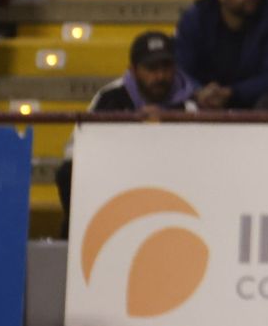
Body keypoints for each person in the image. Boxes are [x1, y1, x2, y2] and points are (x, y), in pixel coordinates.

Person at [52, 30, 198, 228]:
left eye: (166, 67)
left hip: (168, 182)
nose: (160, 76)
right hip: (114, 176)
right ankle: (77, 239)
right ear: (133, 70)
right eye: (151, 68)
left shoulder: (188, 106)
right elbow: (73, 150)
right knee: (68, 172)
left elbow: (198, 160)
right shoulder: (109, 97)